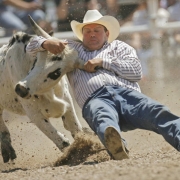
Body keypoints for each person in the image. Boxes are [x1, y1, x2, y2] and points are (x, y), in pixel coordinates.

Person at [26, 9, 180, 160]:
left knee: (157, 111)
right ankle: (117, 145)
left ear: (106, 33)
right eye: (87, 31)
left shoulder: (121, 47)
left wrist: (103, 62)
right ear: (82, 35)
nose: (92, 34)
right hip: (96, 99)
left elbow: (136, 72)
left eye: (97, 30)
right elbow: (30, 47)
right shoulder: (71, 50)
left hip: (128, 96)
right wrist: (45, 42)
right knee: (102, 117)